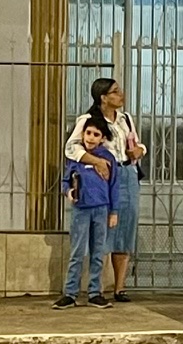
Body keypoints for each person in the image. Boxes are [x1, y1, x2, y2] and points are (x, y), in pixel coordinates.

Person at [64, 77, 145, 301]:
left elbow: (136, 143)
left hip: (126, 173)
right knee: (103, 229)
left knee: (126, 225)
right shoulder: (89, 120)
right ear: (103, 97)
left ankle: (120, 286)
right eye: (115, 92)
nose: (121, 95)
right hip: (103, 177)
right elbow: (71, 148)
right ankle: (96, 287)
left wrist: (139, 150)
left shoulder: (125, 119)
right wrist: (96, 161)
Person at [53, 113, 119, 309]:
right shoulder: (76, 157)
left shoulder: (108, 158)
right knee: (77, 252)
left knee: (98, 252)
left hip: (101, 209)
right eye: (88, 133)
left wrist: (113, 211)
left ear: (103, 138)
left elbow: (114, 185)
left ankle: (94, 292)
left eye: (95, 134)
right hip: (80, 210)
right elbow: (65, 181)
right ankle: (70, 293)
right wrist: (68, 192)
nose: (90, 137)